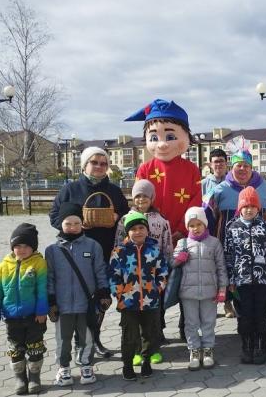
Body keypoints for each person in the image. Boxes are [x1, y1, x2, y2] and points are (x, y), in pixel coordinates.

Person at [49, 146, 129, 357]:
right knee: (81, 297)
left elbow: (126, 214)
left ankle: (94, 338)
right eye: (94, 162)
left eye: (104, 163)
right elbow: (54, 216)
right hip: (76, 253)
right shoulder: (70, 189)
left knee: (101, 298)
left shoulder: (113, 190)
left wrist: (117, 217)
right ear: (84, 165)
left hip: (106, 251)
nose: (99, 167)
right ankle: (80, 342)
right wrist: (74, 225)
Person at [204, 136, 266, 318]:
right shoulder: (219, 190)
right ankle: (235, 309)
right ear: (231, 167)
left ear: (251, 167)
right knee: (232, 279)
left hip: (261, 249)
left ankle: (260, 315)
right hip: (230, 246)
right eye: (238, 165)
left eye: (246, 166)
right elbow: (206, 216)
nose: (242, 169)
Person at [46, 203, 111, 386]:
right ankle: (64, 367)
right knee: (63, 339)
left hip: (86, 304)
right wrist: (51, 300)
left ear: (82, 223)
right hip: (63, 305)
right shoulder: (52, 250)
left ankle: (86, 365)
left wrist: (104, 292)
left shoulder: (93, 246)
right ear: (61, 224)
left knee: (86, 337)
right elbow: (50, 277)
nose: (73, 227)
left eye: (76, 223)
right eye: (68, 223)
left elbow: (100, 271)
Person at [224, 186, 266, 365]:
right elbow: (228, 255)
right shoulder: (232, 228)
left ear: (258, 208)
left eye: (252, 206)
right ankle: (247, 345)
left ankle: (260, 345)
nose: (249, 209)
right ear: (240, 208)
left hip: (262, 280)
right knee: (245, 315)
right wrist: (230, 279)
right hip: (241, 281)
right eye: (245, 206)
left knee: (261, 314)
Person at [126, 99, 202, 242]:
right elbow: (138, 202)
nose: (162, 144)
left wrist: (183, 229)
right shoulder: (145, 169)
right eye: (154, 137)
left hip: (184, 236)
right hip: (150, 236)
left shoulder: (191, 169)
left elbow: (196, 201)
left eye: (170, 137)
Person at [115, 179, 172, 366]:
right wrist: (119, 286)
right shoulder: (124, 219)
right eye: (138, 196)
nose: (141, 199)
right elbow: (118, 245)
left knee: (153, 318)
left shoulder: (161, 220)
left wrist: (161, 281)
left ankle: (154, 348)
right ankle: (137, 350)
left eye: (145, 196)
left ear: (152, 198)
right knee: (132, 320)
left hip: (152, 278)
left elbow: (167, 247)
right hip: (131, 280)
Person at [0, 223, 48, 395]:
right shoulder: (2, 266)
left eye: (26, 246)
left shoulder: (39, 263)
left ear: (33, 247)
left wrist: (42, 311)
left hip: (33, 316)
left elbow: (42, 289)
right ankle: (20, 378)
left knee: (35, 347)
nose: (22, 250)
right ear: (12, 247)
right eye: (18, 246)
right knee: (15, 348)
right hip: (12, 317)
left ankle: (34, 376)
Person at [109, 211, 169, 381]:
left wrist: (158, 288)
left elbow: (163, 271)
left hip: (151, 301)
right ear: (127, 232)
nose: (138, 232)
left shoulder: (154, 250)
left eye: (141, 228)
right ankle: (127, 365)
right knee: (129, 335)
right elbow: (113, 275)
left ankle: (146, 361)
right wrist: (119, 294)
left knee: (150, 334)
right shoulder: (119, 251)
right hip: (128, 302)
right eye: (133, 229)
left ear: (147, 230)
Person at [173, 207, 228, 370]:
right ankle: (194, 350)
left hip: (210, 292)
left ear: (205, 224)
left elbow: (221, 267)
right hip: (188, 292)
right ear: (187, 227)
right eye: (191, 225)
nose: (195, 228)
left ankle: (208, 349)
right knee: (191, 323)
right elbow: (172, 263)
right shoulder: (182, 243)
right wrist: (178, 259)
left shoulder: (214, 243)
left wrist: (222, 288)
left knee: (208, 322)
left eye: (199, 224)